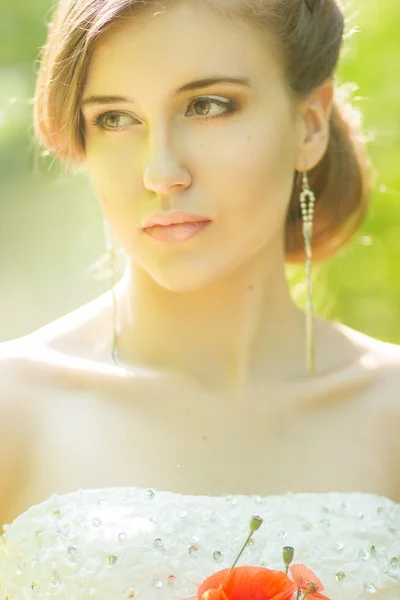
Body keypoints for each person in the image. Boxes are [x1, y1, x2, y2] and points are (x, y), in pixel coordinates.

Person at [0, 0, 400, 597]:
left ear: (309, 125)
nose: (161, 172)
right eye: (114, 118)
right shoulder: (15, 409)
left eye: (208, 106)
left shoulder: (388, 412)